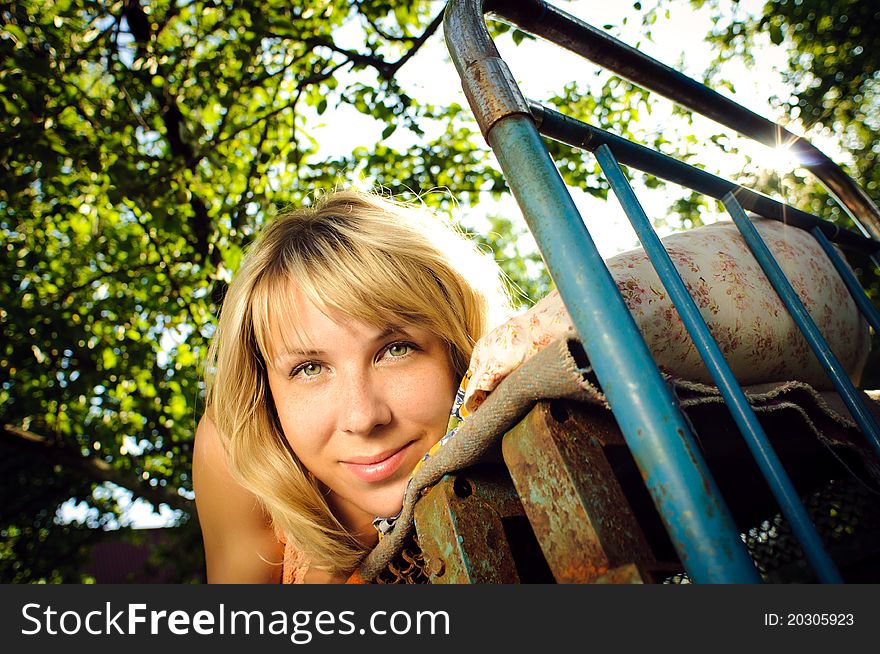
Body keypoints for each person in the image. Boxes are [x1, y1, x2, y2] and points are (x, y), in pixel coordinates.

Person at [193, 189, 870, 583]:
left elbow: (807, 271)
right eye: (309, 367)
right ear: (267, 388)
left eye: (396, 349)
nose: (363, 416)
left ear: (461, 351)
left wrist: (575, 324)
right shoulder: (237, 450)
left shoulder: (520, 399)